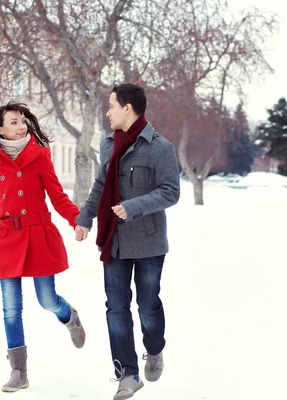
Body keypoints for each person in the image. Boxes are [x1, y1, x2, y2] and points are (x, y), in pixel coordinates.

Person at [75, 83, 180, 400]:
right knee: (116, 309)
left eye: (111, 106)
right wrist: (85, 217)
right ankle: (127, 375)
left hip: (148, 243)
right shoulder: (108, 145)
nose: (107, 113)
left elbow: (170, 192)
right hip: (115, 242)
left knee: (147, 307)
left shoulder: (160, 148)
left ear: (128, 109)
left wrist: (133, 207)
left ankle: (155, 348)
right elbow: (99, 185)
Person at [0, 102, 86, 393]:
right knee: (11, 309)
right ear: (0, 129)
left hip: (37, 236)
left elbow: (57, 194)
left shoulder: (39, 155)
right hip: (6, 238)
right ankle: (19, 372)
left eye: (23, 120)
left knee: (46, 300)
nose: (21, 125)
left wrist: (76, 219)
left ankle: (69, 316)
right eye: (13, 122)